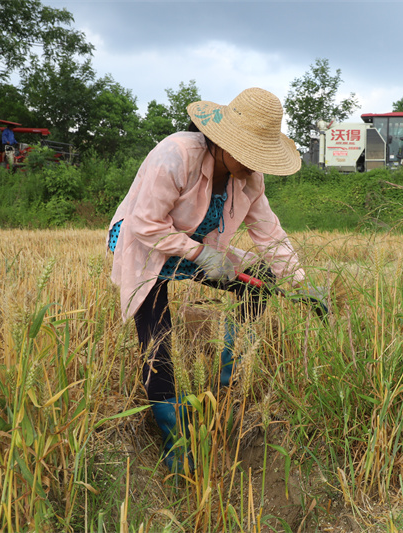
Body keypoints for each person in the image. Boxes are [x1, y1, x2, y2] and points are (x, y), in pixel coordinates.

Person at [107, 87, 327, 473]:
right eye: (248, 154)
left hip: (195, 243)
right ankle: (174, 440)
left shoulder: (249, 179)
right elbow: (145, 223)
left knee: (257, 282)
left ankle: (227, 384)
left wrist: (297, 282)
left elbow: (269, 233)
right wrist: (200, 254)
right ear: (222, 142)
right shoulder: (176, 155)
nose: (253, 165)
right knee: (157, 336)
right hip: (146, 241)